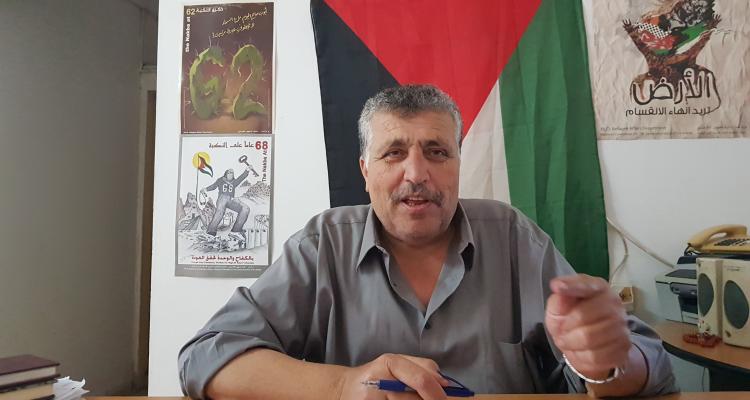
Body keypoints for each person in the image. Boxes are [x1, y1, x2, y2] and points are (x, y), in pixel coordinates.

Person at [179, 85, 676, 399]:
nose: (416, 174)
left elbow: (648, 368)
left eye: (437, 152)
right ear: (365, 171)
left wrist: (603, 365)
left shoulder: (513, 236)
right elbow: (207, 357)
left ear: (458, 165)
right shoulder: (322, 244)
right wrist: (343, 385)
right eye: (394, 153)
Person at [202, 167, 251, 236]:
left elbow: (241, 178)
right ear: (226, 174)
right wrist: (206, 189)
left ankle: (236, 230)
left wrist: (247, 170)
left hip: (230, 200)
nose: (231, 174)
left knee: (246, 208)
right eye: (229, 173)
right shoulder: (220, 180)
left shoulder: (234, 182)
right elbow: (213, 186)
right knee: (220, 210)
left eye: (232, 173)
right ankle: (211, 230)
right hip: (222, 198)